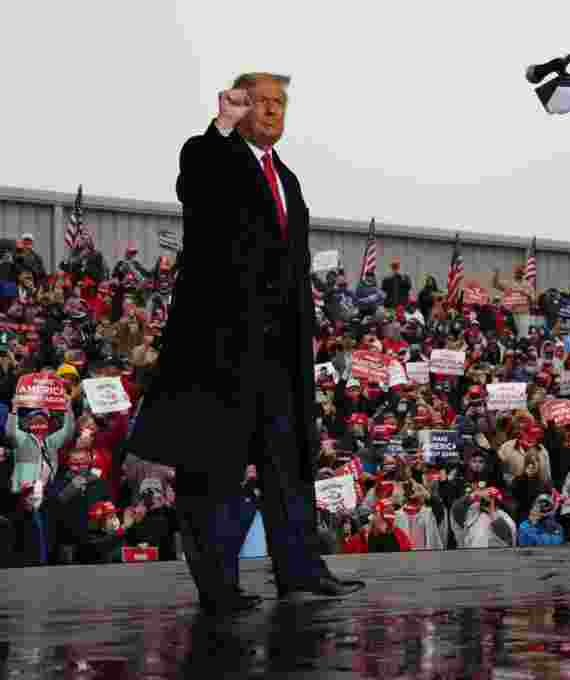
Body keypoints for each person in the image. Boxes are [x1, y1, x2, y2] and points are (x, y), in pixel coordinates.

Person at [126, 72, 363, 615]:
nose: (274, 111)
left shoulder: (289, 179)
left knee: (290, 462)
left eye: (281, 103)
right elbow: (194, 183)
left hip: (280, 354)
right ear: (237, 106)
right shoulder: (208, 155)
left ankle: (301, 571)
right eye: (262, 102)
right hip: (221, 353)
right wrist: (221, 125)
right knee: (213, 471)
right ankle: (219, 586)